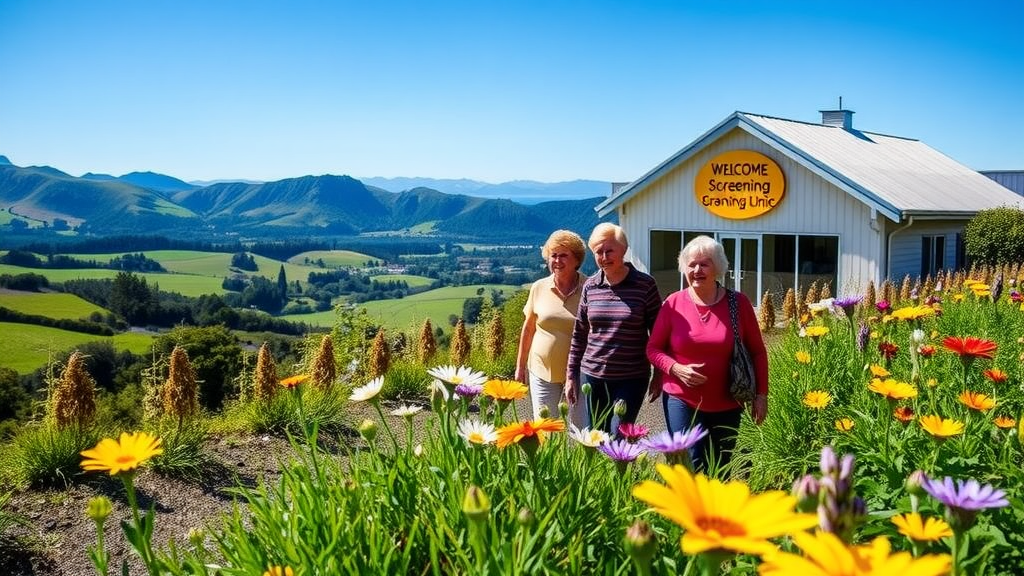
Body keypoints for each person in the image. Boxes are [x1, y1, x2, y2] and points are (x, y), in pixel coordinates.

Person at [646, 235, 768, 473]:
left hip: (729, 400)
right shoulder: (673, 303)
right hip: (681, 398)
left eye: (705, 263)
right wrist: (675, 368)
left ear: (718, 268)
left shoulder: (738, 303)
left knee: (720, 467)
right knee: (688, 465)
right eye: (691, 264)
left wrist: (761, 395)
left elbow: (758, 352)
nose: (697, 270)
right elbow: (653, 348)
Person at [565, 223, 662, 434]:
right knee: (596, 436)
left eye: (609, 250)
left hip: (631, 377)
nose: (604, 256)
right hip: (593, 376)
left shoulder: (645, 285)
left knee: (619, 435)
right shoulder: (591, 286)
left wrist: (659, 374)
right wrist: (571, 375)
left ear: (623, 250)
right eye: (598, 252)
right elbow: (579, 333)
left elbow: (658, 334)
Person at [515, 230, 589, 426]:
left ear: (577, 259)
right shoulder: (538, 287)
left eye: (563, 255)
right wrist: (520, 367)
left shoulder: (590, 288)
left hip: (579, 372)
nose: (557, 260)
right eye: (553, 255)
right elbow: (528, 328)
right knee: (545, 428)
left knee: (582, 430)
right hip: (541, 370)